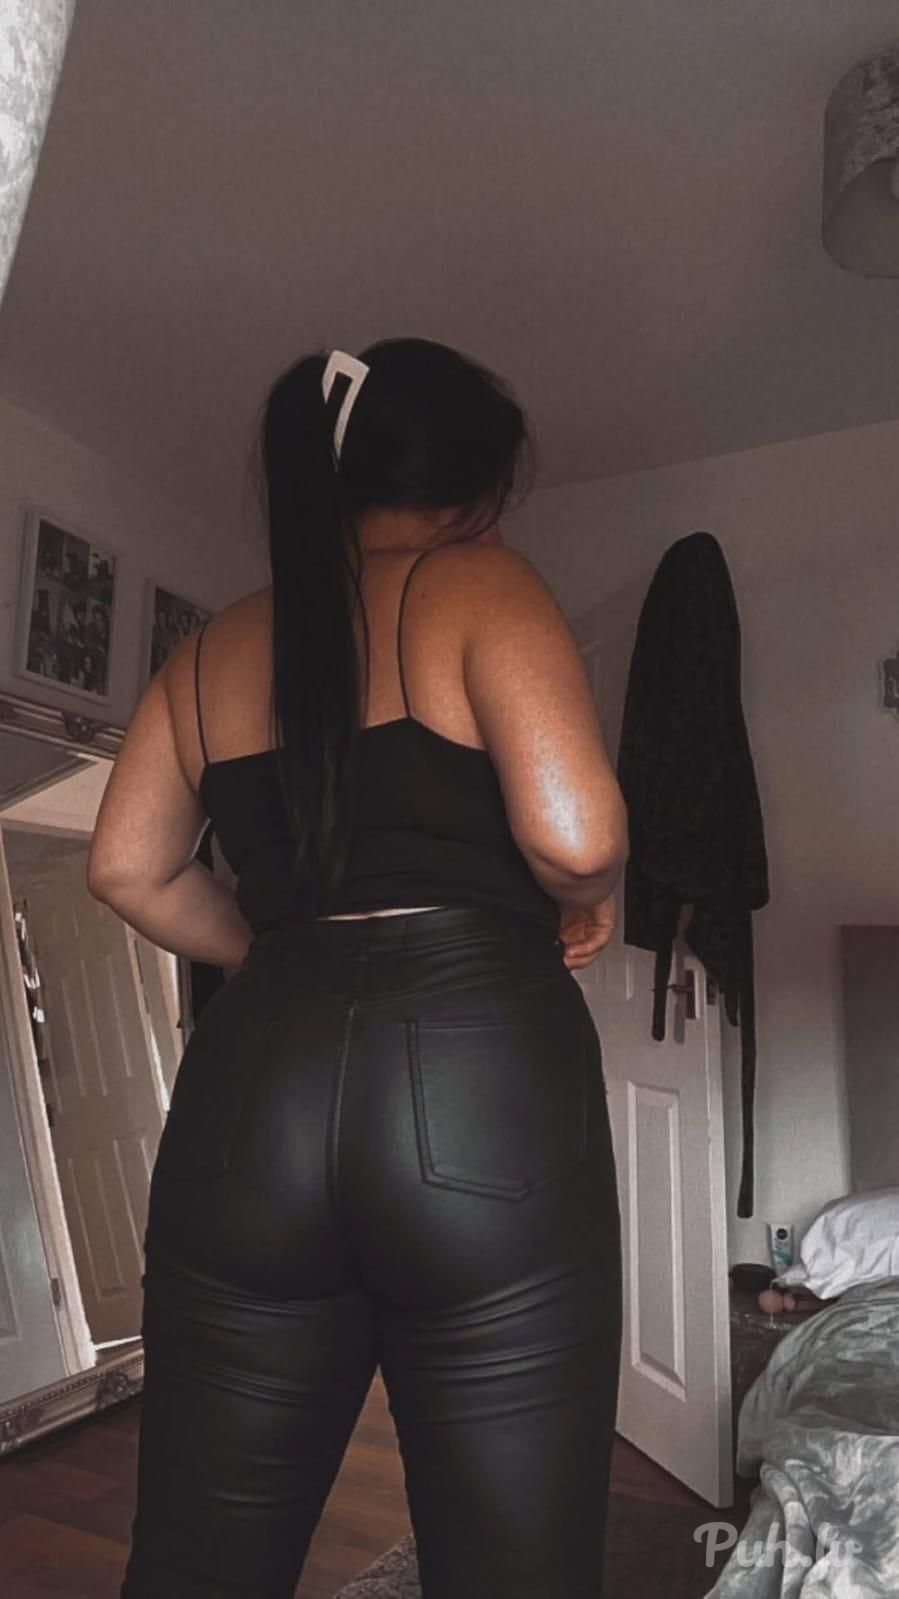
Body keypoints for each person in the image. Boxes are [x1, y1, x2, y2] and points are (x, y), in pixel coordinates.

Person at [87, 336, 628, 1599]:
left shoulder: (210, 650)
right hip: (474, 1085)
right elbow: (576, 833)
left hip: (250, 1092)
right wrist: (582, 900)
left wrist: (284, 955)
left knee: (198, 1563)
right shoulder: (477, 583)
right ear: (472, 486)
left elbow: (125, 868)